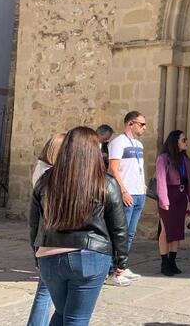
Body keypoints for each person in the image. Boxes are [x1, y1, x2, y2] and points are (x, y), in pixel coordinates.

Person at [29, 127, 128, 326]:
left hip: (49, 255)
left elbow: (34, 223)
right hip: (90, 255)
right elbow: (119, 227)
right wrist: (121, 260)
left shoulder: (45, 180)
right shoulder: (105, 183)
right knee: (76, 318)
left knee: (61, 313)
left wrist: (36, 252)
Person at [27, 133, 65, 326]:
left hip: (45, 239)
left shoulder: (43, 169)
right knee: (45, 291)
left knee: (46, 291)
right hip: (51, 238)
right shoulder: (49, 174)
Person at [107, 111, 147, 285]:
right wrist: (123, 191)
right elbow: (113, 169)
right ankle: (111, 272)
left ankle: (122, 266)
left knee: (130, 234)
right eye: (142, 124)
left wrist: (143, 186)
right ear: (131, 123)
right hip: (126, 194)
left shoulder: (139, 144)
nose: (144, 128)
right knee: (120, 234)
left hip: (139, 194)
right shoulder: (118, 143)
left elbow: (138, 168)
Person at [155, 130, 190, 276]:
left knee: (177, 231)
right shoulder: (163, 158)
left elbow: (189, 182)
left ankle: (173, 261)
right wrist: (163, 200)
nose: (186, 142)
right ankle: (164, 263)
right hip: (168, 196)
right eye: (183, 139)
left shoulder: (186, 159)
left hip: (181, 197)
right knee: (166, 230)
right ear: (175, 142)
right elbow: (160, 180)